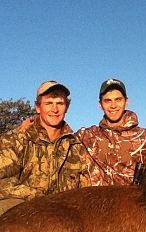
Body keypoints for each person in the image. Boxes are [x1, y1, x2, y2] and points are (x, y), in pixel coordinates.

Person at [0, 80, 91, 214]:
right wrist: (42, 200)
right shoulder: (16, 139)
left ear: (67, 107)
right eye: (49, 103)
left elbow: (85, 191)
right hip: (23, 214)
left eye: (60, 103)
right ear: (38, 107)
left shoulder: (76, 146)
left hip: (65, 218)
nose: (54, 109)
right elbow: (2, 183)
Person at [76, 78, 146, 186]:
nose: (113, 105)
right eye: (107, 101)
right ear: (100, 104)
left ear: (126, 102)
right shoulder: (86, 136)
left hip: (132, 201)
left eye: (118, 99)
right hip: (95, 201)